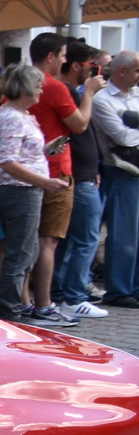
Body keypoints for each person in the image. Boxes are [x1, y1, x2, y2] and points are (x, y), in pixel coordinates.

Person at [25, 32, 105, 325]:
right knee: (48, 242)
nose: (64, 60)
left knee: (30, 242)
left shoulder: (21, 83)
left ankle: (30, 302)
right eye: (61, 55)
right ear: (50, 57)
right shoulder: (54, 86)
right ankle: (47, 304)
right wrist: (90, 93)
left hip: (33, 169)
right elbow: (80, 125)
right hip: (55, 171)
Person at [0, 65, 71, 325]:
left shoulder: (21, 114)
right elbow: (7, 161)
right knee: (20, 253)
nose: (40, 90)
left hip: (24, 190)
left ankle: (12, 307)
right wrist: (45, 182)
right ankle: (8, 312)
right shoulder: (12, 116)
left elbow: (21, 153)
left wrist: (46, 149)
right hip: (18, 191)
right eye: (37, 86)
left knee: (27, 251)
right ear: (23, 87)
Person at [92, 50, 139, 309]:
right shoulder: (102, 100)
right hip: (122, 170)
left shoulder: (135, 95)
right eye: (137, 71)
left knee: (135, 234)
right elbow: (121, 137)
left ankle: (134, 287)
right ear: (122, 71)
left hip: (134, 168)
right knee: (124, 234)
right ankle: (119, 289)